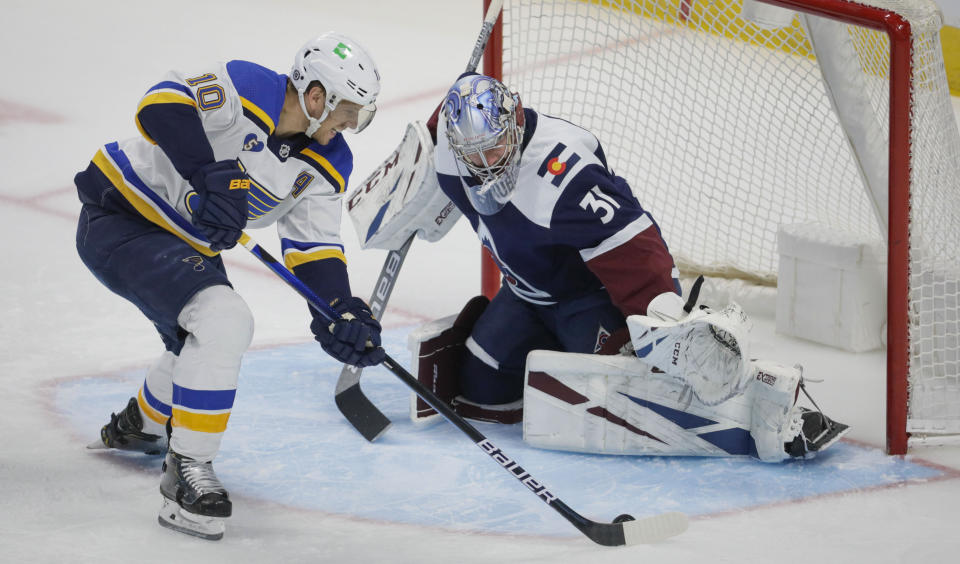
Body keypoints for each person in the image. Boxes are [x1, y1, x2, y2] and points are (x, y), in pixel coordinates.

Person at [407, 73, 847, 462]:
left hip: (589, 299)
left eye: (494, 147)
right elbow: (433, 131)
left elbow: (634, 246)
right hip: (526, 295)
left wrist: (662, 317)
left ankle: (766, 402)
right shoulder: (450, 146)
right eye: (473, 152)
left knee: (633, 393)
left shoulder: (563, 177)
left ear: (516, 120)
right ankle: (554, 376)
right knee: (482, 389)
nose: (485, 164)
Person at [76, 32, 385, 540]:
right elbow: (161, 104)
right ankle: (187, 472)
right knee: (224, 320)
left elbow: (315, 249)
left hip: (183, 246)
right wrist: (210, 174)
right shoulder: (248, 87)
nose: (351, 123)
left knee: (205, 341)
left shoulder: (329, 163)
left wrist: (337, 308)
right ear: (316, 96)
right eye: (348, 109)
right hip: (122, 214)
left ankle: (143, 423)